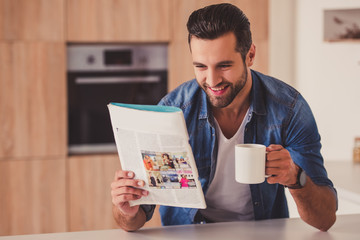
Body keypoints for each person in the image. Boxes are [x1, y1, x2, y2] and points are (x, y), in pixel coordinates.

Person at [110, 3, 337, 232]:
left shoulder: (289, 109)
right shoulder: (173, 110)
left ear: (250, 55)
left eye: (224, 65)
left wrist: (296, 178)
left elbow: (325, 219)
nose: (212, 80)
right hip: (187, 234)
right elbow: (135, 219)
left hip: (261, 234)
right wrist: (126, 209)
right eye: (200, 66)